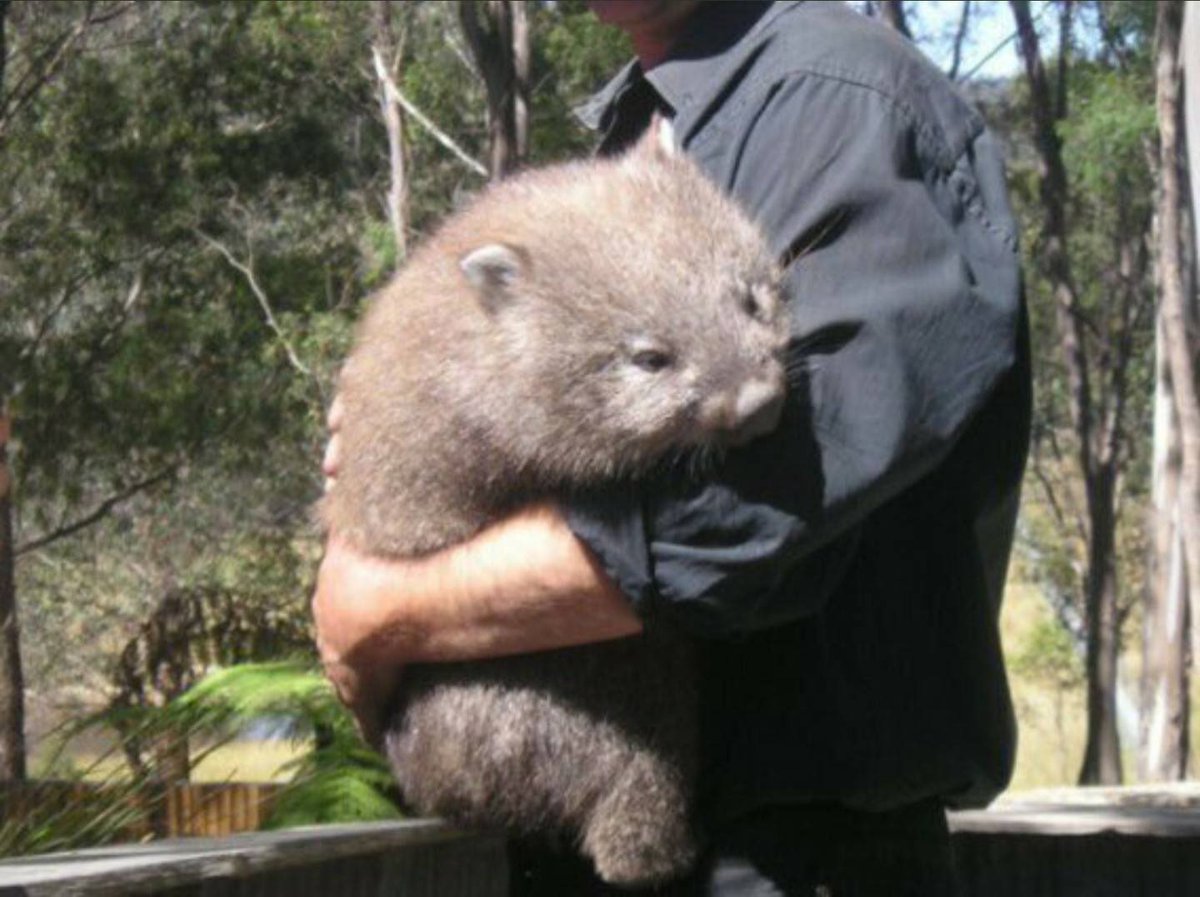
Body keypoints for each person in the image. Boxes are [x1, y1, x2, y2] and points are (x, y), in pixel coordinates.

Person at [314, 1, 1031, 894]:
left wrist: (379, 609)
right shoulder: (651, 126)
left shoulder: (831, 101)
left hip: (787, 855)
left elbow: (751, 518)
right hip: (555, 779)